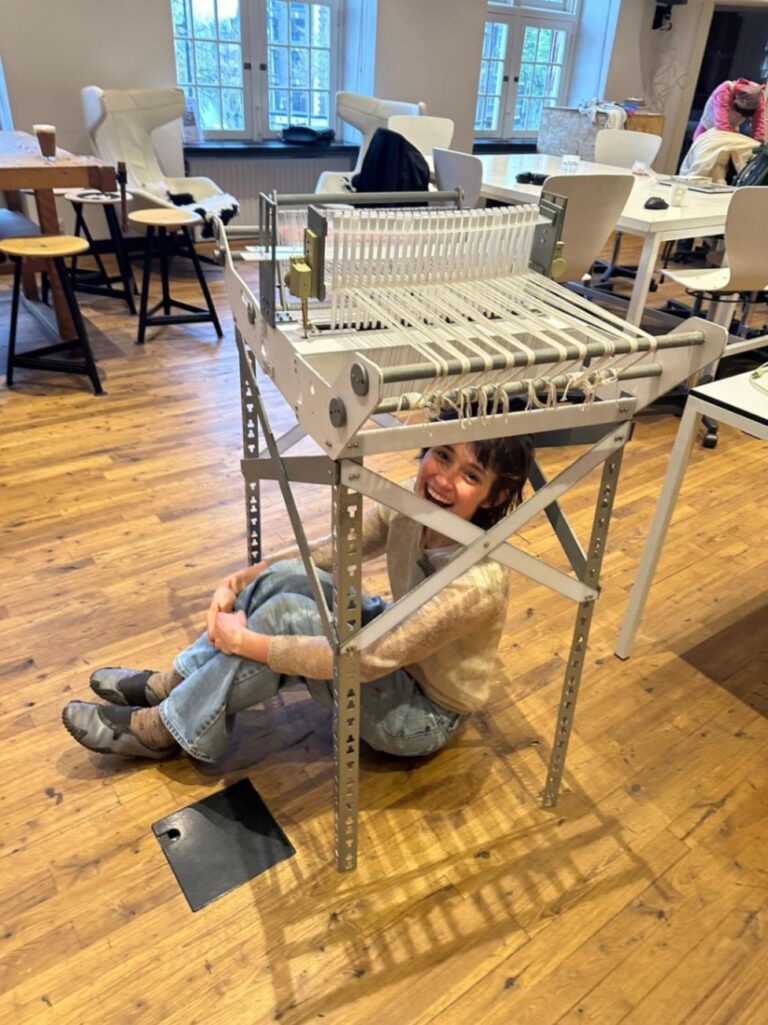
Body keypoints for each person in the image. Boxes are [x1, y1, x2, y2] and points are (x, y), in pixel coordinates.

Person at [62, 434, 533, 764]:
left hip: (421, 713)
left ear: (495, 497)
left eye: (470, 475)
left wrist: (245, 642)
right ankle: (174, 684)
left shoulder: (479, 582)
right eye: (443, 455)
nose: (444, 479)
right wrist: (241, 578)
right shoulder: (410, 508)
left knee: (286, 619)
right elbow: (333, 552)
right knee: (288, 577)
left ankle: (165, 727)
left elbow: (364, 660)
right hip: (393, 642)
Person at [693, 78, 765, 143]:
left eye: (745, 114)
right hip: (707, 128)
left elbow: (758, 124)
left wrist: (758, 144)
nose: (740, 115)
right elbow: (722, 124)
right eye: (739, 110)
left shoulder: (758, 96)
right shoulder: (724, 91)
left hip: (732, 130)